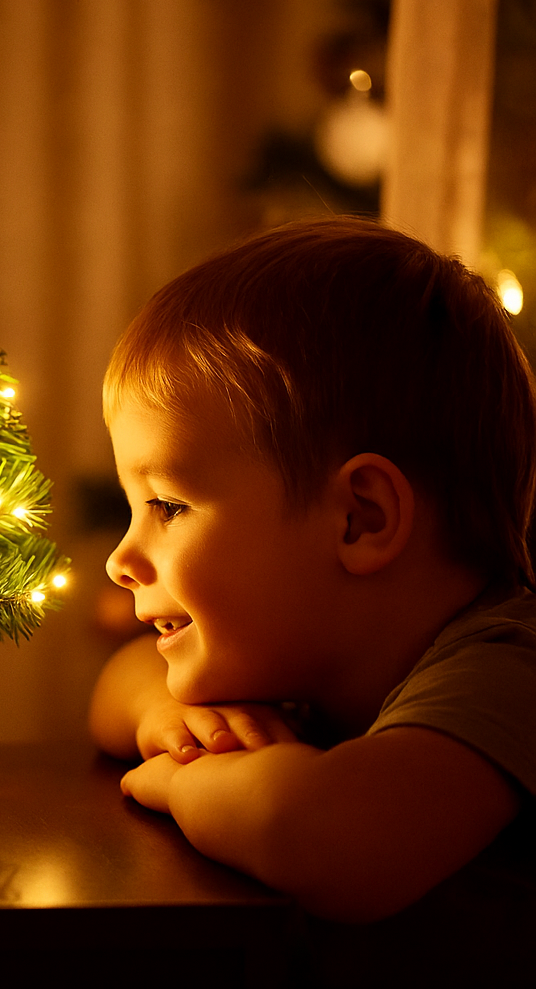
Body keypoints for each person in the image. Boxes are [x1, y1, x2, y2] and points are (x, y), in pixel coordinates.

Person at [88, 217, 536, 930]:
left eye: (168, 506)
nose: (119, 560)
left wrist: (177, 781)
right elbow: (119, 683)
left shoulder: (510, 673)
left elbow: (322, 837)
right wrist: (170, 719)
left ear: (360, 519)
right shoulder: (310, 650)